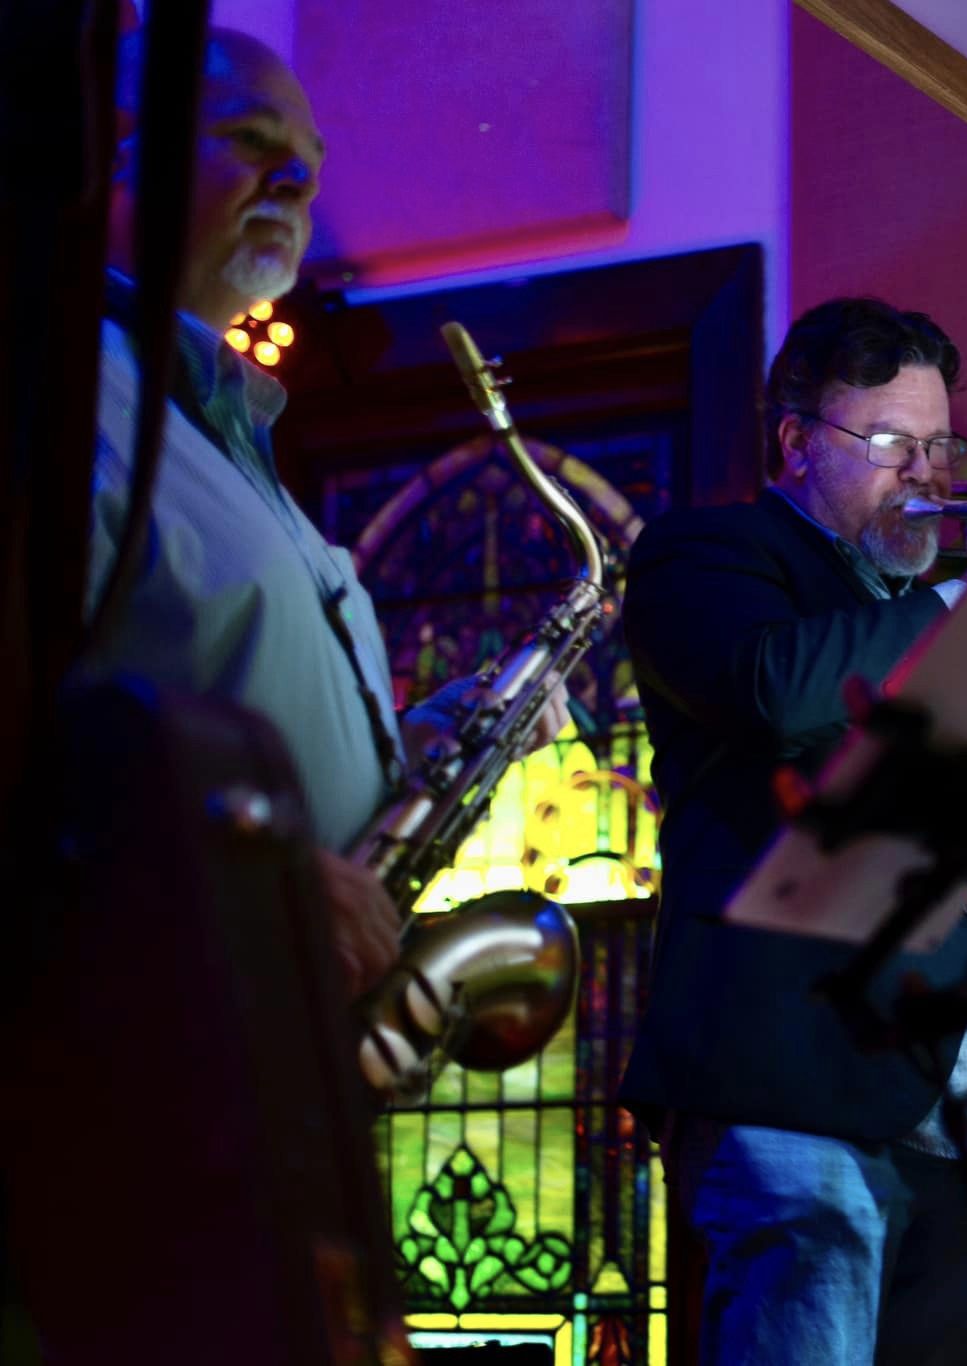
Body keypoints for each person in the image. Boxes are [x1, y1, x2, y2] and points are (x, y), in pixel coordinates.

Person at [619, 298, 967, 1365]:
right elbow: (772, 688)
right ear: (795, 440)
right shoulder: (711, 553)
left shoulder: (944, 602)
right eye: (888, 444)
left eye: (939, 446)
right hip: (796, 1065)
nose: (926, 474)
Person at [78, 28, 561, 995]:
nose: (301, 181)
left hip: (270, 1021)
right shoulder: (63, 387)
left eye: (310, 158)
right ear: (116, 151)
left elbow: (213, 688)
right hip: (144, 1021)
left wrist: (415, 744)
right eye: (252, 140)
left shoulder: (221, 419)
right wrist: (246, 873)